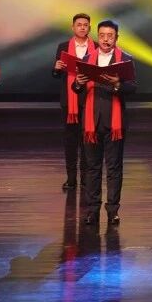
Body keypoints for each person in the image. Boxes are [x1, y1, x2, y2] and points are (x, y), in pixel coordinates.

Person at [74, 20, 136, 225]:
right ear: (97, 37)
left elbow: (132, 87)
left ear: (116, 37)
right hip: (91, 121)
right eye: (102, 35)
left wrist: (118, 84)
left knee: (114, 168)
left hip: (115, 121)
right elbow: (77, 89)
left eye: (110, 35)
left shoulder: (125, 59)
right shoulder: (87, 59)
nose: (105, 39)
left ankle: (112, 211)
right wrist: (78, 83)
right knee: (92, 168)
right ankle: (92, 210)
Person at [52, 12, 94, 192]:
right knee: (70, 140)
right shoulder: (63, 47)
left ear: (89, 28)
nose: (82, 27)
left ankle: (85, 178)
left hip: (90, 98)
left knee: (87, 140)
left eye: (85, 25)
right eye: (79, 25)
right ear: (73, 27)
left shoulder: (96, 47)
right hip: (69, 100)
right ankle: (70, 178)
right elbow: (56, 74)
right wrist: (56, 68)